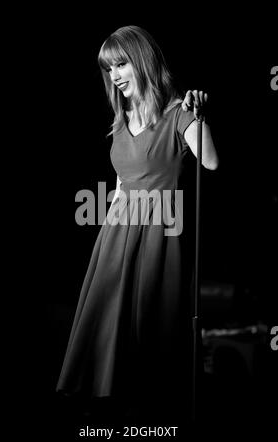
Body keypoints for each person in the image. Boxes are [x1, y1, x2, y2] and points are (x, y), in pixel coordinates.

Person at [57, 25, 218, 424]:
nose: (114, 75)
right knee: (109, 322)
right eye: (108, 68)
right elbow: (118, 185)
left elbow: (212, 162)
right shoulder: (121, 117)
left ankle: (153, 415)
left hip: (159, 233)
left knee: (151, 321)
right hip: (115, 233)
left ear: (142, 61)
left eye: (121, 64)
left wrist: (199, 114)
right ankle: (110, 410)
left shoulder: (176, 113)